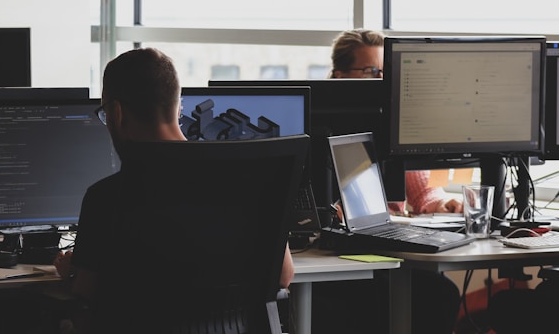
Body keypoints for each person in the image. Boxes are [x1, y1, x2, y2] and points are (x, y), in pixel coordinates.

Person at [54, 47, 294, 333]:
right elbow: (283, 276)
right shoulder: (250, 180)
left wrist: (70, 273)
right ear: (178, 107)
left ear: (117, 113)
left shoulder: (106, 197)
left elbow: (88, 291)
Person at [311, 28, 462, 334]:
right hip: (334, 258)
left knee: (439, 293)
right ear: (339, 75)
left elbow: (422, 193)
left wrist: (442, 203)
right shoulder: (317, 124)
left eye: (385, 72)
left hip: (385, 250)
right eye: (372, 71)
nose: (381, 80)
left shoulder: (390, 123)